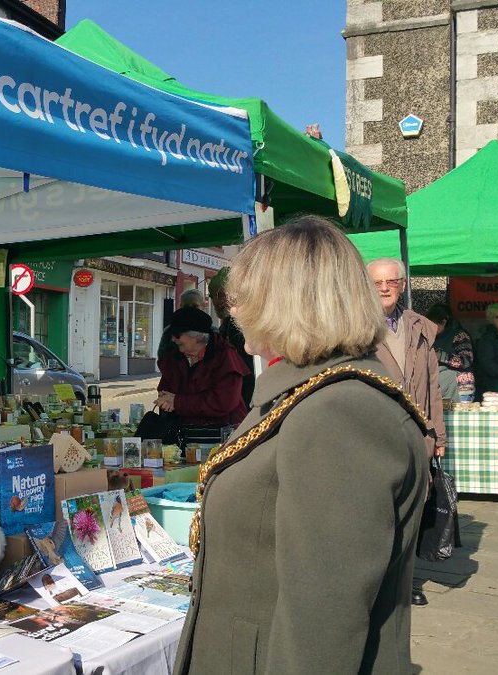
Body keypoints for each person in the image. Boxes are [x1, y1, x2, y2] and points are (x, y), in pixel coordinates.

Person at [174, 216, 429, 675]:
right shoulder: (310, 392)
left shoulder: (339, 411)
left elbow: (323, 623)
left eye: (243, 298)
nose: (233, 312)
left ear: (281, 302)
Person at [367, 257, 447, 607]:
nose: (385, 288)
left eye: (391, 282)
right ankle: (377, 582)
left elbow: (432, 385)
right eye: (377, 283)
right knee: (378, 513)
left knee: (411, 510)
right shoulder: (357, 328)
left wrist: (439, 437)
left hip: (416, 435)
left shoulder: (420, 327)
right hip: (376, 435)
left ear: (402, 284)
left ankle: (404, 581)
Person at [154, 307, 248, 431]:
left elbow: (223, 402)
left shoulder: (225, 357)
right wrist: (165, 399)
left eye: (177, 334)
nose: (173, 339)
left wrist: (178, 402)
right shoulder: (175, 357)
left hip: (221, 434)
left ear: (196, 336)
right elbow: (165, 389)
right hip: (183, 433)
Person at [207, 268, 255, 405]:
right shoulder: (227, 325)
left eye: (221, 295)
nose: (216, 301)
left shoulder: (240, 324)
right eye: (212, 296)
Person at [424, 303, 475, 403]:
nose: (430, 328)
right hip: (440, 386)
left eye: (433, 325)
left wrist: (441, 356)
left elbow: (466, 361)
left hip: (462, 388)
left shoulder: (460, 335)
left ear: (443, 322)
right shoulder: (431, 336)